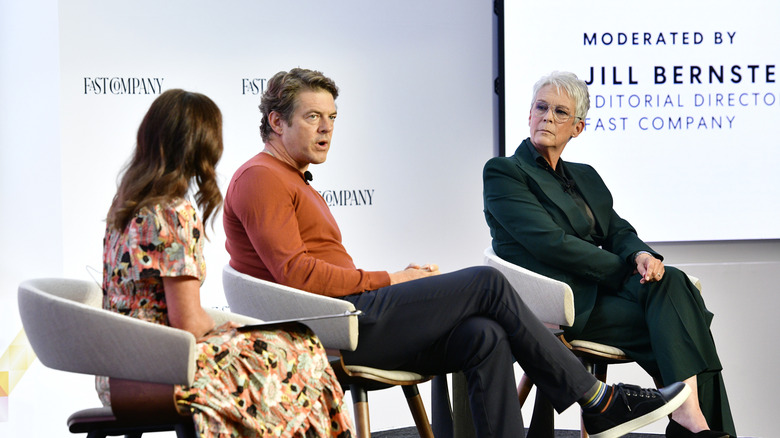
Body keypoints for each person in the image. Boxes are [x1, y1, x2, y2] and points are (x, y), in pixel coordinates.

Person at [223, 67, 691, 438]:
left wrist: (395, 278)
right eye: (312, 117)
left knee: (484, 333)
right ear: (276, 122)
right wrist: (393, 279)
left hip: (348, 314)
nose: (326, 129)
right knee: (486, 283)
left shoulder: (290, 178)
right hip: (333, 327)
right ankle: (596, 400)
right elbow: (298, 275)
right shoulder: (262, 178)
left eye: (332, 118)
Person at [482, 71, 736, 438]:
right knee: (684, 323)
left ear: (578, 128)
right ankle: (698, 427)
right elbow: (550, 243)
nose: (548, 117)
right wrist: (625, 271)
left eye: (560, 112)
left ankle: (691, 421)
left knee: (674, 281)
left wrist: (642, 257)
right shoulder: (504, 172)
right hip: (565, 301)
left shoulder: (585, 176)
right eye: (541, 107)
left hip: (603, 288)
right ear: (529, 114)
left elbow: (617, 230)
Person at [99, 88, 354, 437]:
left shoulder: (126, 208)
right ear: (205, 146)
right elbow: (188, 324)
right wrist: (232, 333)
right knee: (302, 348)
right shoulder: (174, 214)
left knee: (282, 346)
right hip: (163, 369)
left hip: (116, 370)